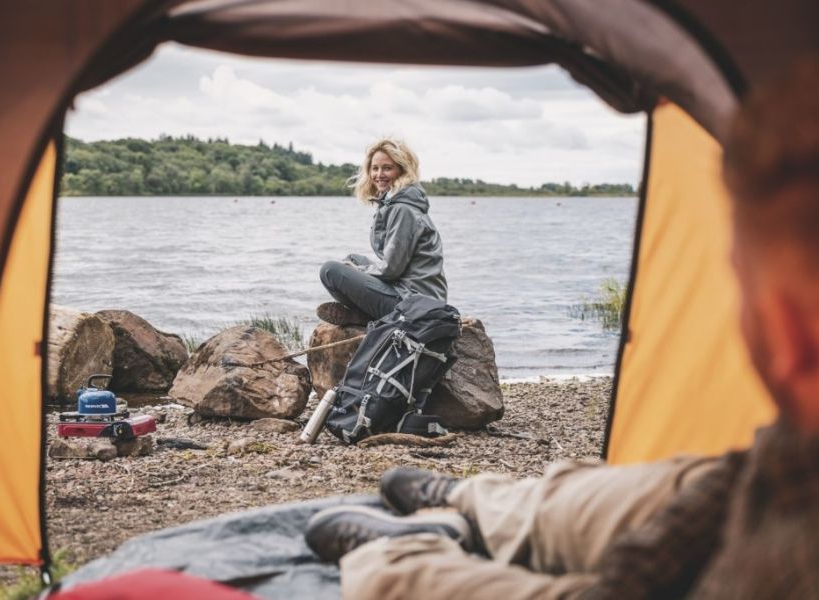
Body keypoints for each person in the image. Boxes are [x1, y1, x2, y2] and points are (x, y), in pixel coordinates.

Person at [304, 56, 819, 599]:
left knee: (400, 572)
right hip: (768, 470)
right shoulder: (786, 466)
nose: (380, 175)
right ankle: (474, 503)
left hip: (415, 305)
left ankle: (406, 552)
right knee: (648, 488)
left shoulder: (784, 556)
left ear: (790, 333)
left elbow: (632, 578)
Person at [317, 138, 447, 326]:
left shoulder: (403, 210)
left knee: (330, 271)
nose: (379, 174)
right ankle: (365, 316)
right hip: (408, 292)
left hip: (415, 304)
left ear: (402, 171)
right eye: (375, 168)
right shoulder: (394, 203)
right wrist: (359, 268)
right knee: (353, 259)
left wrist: (360, 271)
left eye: (387, 168)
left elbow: (391, 270)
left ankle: (367, 317)